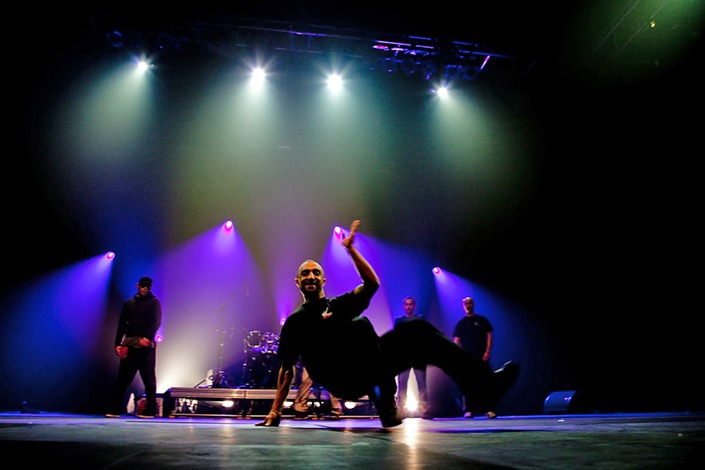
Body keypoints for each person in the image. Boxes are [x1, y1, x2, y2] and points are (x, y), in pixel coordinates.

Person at [255, 220, 518, 428]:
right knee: (359, 324)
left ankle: (485, 390)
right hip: (342, 380)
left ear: (323, 281)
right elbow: (286, 369)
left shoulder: (339, 304)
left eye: (316, 273)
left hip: (369, 368)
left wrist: (350, 249)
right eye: (305, 274)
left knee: (417, 330)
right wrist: (276, 410)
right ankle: (384, 401)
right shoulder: (296, 321)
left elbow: (372, 284)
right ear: (297, 282)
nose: (311, 276)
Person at [105, 276, 163, 418]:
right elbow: (122, 324)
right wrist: (118, 343)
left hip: (146, 347)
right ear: (138, 286)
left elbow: (156, 321)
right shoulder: (129, 303)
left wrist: (147, 337)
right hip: (130, 345)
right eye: (143, 286)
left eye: (147, 286)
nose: (145, 288)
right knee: (122, 379)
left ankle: (150, 410)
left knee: (149, 379)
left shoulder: (154, 303)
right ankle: (114, 408)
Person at [453, 296, 496, 419]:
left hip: (481, 358)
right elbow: (456, 341)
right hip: (467, 360)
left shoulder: (481, 320)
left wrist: (487, 351)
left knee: (485, 383)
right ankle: (469, 410)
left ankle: (489, 409)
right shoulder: (461, 323)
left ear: (473, 304)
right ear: (463, 306)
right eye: (466, 303)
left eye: (470, 302)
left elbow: (489, 335)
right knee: (468, 385)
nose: (468, 305)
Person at [393, 296, 431, 419]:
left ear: (414, 306)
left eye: (411, 304)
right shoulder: (399, 321)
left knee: (421, 383)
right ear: (404, 306)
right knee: (402, 383)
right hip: (403, 356)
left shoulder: (420, 319)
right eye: (407, 304)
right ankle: (401, 409)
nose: (409, 306)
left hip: (418, 355)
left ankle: (424, 409)